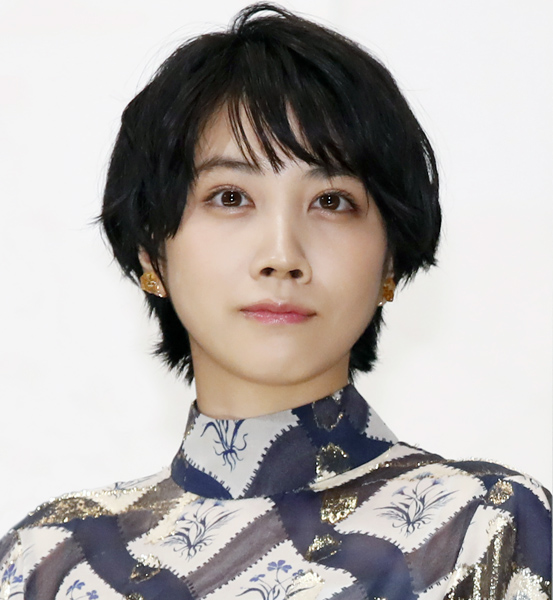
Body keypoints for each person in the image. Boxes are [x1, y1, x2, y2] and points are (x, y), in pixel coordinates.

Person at [0, 3, 550, 599]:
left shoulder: (484, 527)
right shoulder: (51, 559)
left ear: (389, 261)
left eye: (332, 201)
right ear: (152, 254)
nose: (283, 255)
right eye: (230, 197)